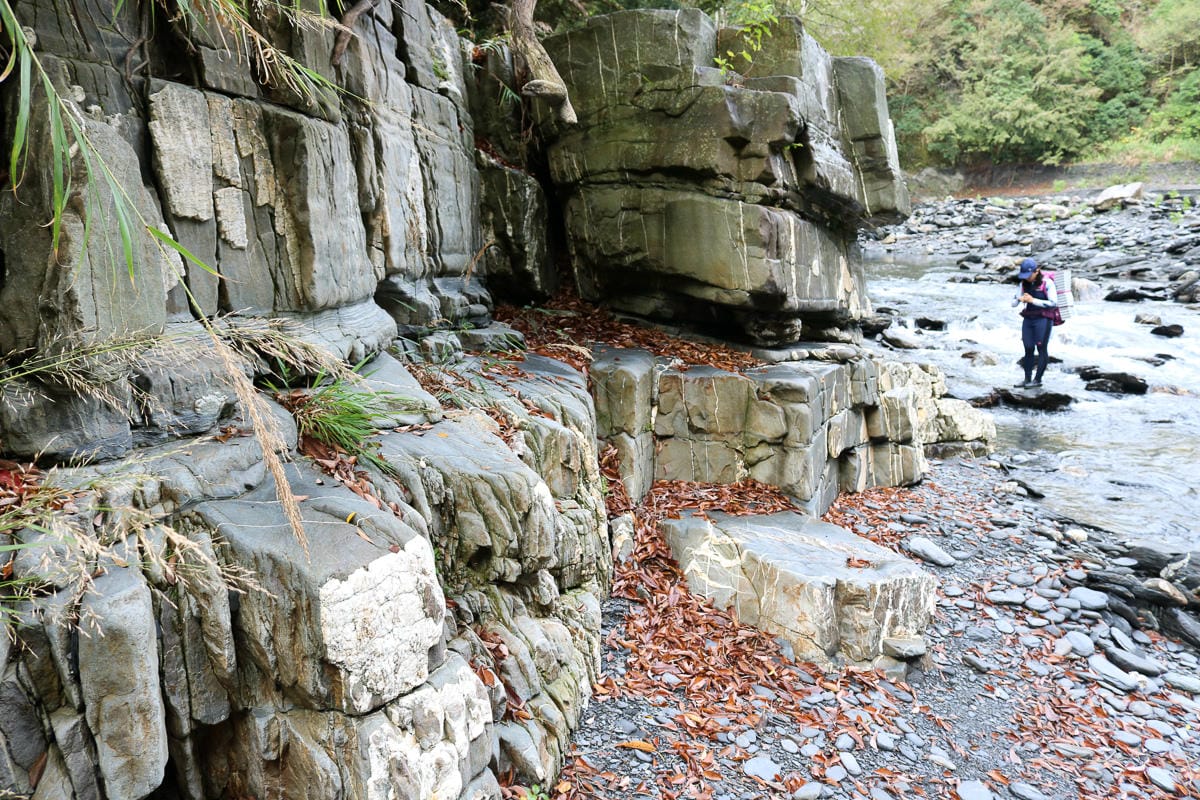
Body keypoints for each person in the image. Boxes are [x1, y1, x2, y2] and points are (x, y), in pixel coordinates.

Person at [1013, 257, 1057, 388]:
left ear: (1036, 271)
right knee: (1028, 348)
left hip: (1043, 319)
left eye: (1029, 275)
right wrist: (1019, 299)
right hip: (1028, 319)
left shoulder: (1047, 283)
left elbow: (1053, 303)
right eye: (1024, 276)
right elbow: (1013, 303)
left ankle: (1037, 380)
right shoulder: (1022, 284)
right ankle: (1027, 379)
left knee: (1041, 348)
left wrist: (1033, 301)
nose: (1027, 278)